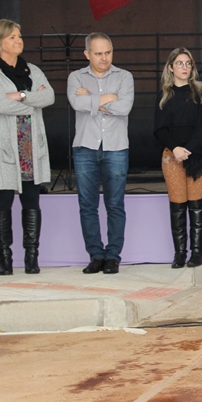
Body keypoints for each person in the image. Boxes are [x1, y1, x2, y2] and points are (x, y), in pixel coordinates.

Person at [0, 19, 54, 275]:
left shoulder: (32, 70)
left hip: (30, 145)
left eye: (19, 36)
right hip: (5, 147)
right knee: (3, 199)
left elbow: (49, 96)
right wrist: (33, 101)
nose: (18, 40)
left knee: (31, 199)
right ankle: (5, 257)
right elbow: (0, 105)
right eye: (12, 37)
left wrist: (21, 95)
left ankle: (31, 256)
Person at [67, 33, 134, 275]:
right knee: (87, 205)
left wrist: (92, 101)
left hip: (116, 148)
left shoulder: (124, 76)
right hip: (85, 147)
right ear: (87, 54)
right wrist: (108, 99)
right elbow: (77, 104)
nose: (104, 58)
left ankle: (113, 256)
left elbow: (125, 107)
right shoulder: (76, 77)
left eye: (108, 52)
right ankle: (96, 255)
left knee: (115, 205)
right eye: (98, 53)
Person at [154, 47, 202, 268]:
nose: (184, 67)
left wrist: (187, 150)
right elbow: (159, 129)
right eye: (179, 63)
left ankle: (197, 253)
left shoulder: (201, 94)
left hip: (197, 157)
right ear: (171, 67)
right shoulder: (164, 96)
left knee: (197, 205)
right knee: (178, 205)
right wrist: (175, 149)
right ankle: (180, 253)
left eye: (188, 63)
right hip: (172, 158)